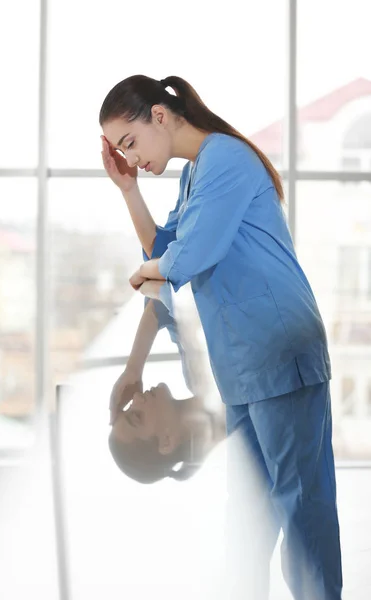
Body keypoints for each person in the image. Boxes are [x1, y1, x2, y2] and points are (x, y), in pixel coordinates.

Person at [99, 75, 342, 599]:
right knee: (248, 523)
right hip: (244, 369)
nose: (132, 156)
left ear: (159, 117)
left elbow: (188, 258)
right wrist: (129, 190)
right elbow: (160, 249)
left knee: (302, 513)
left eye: (131, 143)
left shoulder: (225, 159)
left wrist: (152, 273)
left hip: (281, 350)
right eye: (122, 150)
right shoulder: (193, 178)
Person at [109, 294, 226, 484]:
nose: (136, 397)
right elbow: (171, 295)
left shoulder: (194, 376)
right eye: (137, 416)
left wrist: (134, 369)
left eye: (129, 406)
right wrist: (134, 366)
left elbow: (166, 300)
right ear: (166, 440)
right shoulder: (236, 411)